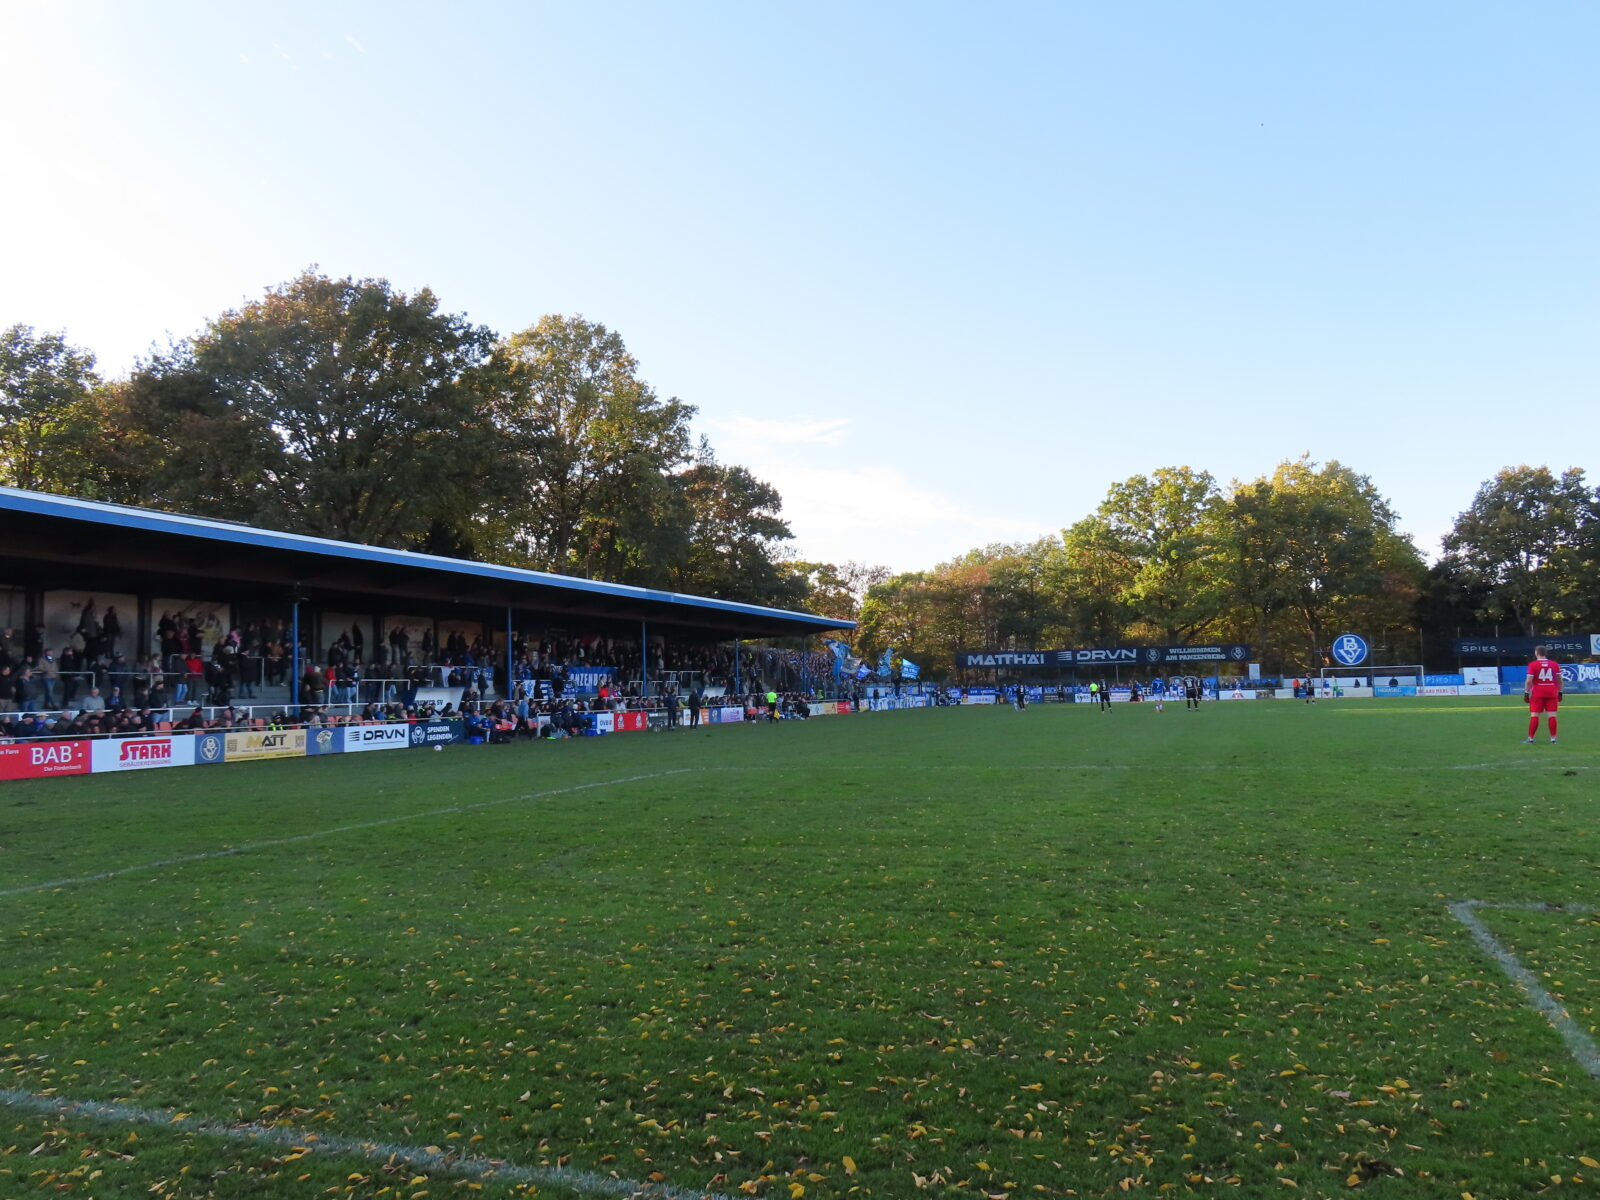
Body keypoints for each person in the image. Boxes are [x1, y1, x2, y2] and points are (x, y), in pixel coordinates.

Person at [1523, 645, 1564, 744]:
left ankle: (1531, 738)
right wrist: (1560, 692)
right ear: (1545, 653)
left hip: (1538, 693)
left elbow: (1529, 681)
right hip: (1552, 692)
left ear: (1536, 653)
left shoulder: (1532, 665)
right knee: (1552, 715)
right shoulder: (1554, 664)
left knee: (1534, 715)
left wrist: (1526, 693)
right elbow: (1559, 680)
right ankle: (1553, 739)